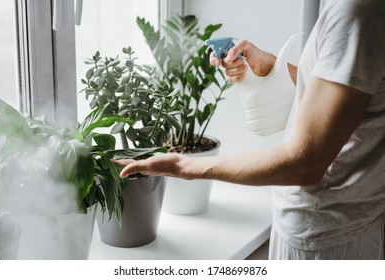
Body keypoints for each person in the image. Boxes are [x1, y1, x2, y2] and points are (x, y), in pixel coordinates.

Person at [116, 0, 385, 259]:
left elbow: (306, 162)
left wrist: (183, 166)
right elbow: (346, 93)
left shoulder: (356, 11)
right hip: (328, 224)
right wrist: (272, 68)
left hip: (326, 236)